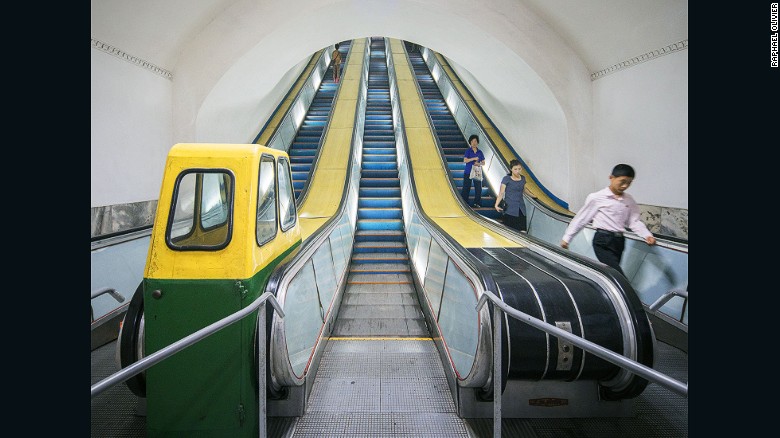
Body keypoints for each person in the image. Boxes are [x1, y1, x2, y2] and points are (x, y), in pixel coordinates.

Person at [560, 163, 656, 276]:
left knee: (611, 274)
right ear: (611, 178)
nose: (625, 186)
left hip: (619, 241)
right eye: (622, 181)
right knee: (617, 275)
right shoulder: (596, 197)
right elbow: (581, 219)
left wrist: (647, 235)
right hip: (602, 240)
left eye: (629, 183)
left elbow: (633, 221)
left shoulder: (629, 200)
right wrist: (567, 238)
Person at [494, 159, 527, 232]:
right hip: (510, 209)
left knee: (522, 231)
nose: (518, 171)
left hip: (521, 208)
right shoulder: (506, 179)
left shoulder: (523, 178)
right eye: (515, 169)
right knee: (510, 230)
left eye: (519, 169)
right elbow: (501, 193)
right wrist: (496, 205)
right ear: (511, 169)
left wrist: (534, 196)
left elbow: (524, 190)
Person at [461, 134, 485, 208]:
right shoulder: (468, 151)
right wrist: (473, 158)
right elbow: (465, 160)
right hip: (468, 172)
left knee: (478, 188)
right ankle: (464, 202)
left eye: (475, 141)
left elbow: (483, 163)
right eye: (472, 141)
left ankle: (477, 203)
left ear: (477, 142)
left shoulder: (480, 152)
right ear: (470, 142)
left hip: (477, 172)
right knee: (466, 187)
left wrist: (479, 163)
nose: (474, 143)